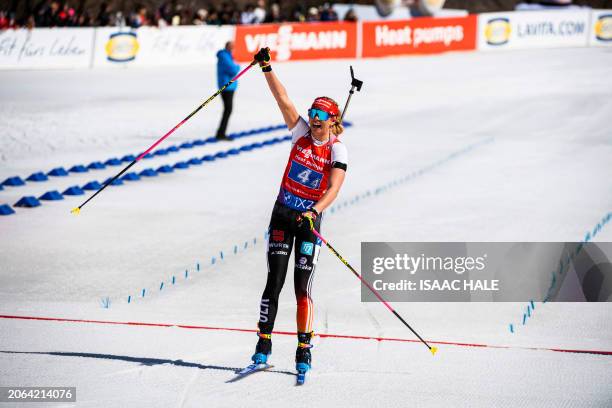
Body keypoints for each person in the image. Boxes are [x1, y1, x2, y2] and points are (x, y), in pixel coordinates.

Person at [250, 48, 348, 376]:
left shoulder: (336, 148)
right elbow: (282, 98)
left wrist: (315, 210)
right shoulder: (301, 133)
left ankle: (303, 348)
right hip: (282, 214)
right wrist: (266, 67)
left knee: (301, 288)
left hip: (308, 222)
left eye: (320, 115)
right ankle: (263, 343)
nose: (314, 118)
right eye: (312, 112)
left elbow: (334, 187)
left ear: (332, 120)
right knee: (273, 282)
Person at [215, 41, 240, 141]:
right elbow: (233, 69)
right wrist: (237, 66)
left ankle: (221, 132)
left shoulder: (227, 56)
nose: (233, 48)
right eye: (232, 47)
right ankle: (221, 133)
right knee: (228, 109)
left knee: (228, 110)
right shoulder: (224, 56)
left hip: (229, 86)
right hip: (226, 87)